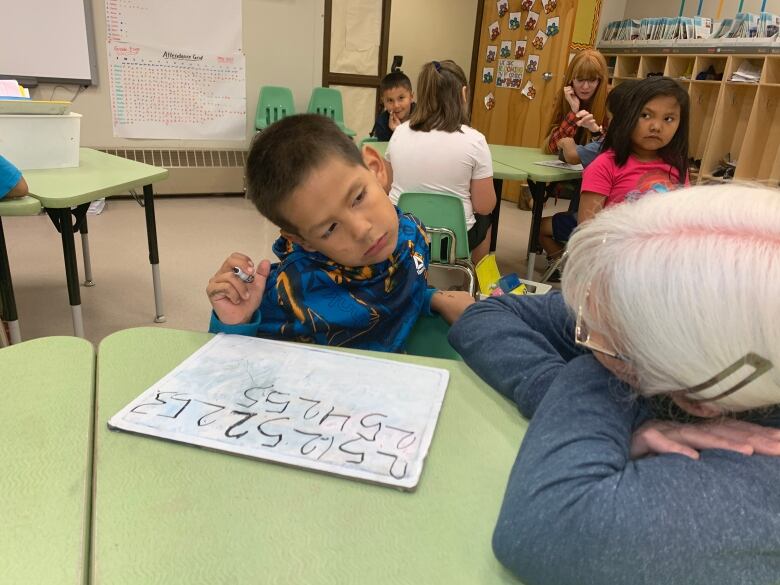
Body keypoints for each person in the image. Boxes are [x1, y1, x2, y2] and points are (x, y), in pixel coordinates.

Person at [448, 184, 780, 585]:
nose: (584, 328)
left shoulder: (756, 482)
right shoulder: (680, 314)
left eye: (606, 341)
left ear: (702, 402)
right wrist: (623, 404)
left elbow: (543, 526)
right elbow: (488, 315)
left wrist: (596, 375)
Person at [206, 114, 466, 353]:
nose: (362, 230)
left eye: (358, 197)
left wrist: (432, 299)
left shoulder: (411, 234)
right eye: (330, 229)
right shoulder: (290, 290)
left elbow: (397, 292)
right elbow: (226, 370)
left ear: (375, 168)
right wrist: (234, 324)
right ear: (302, 240)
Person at [385, 60, 495, 263]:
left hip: (403, 236)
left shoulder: (399, 133)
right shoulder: (475, 140)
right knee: (486, 221)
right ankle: (474, 285)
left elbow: (387, 186)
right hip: (452, 240)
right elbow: (484, 206)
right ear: (463, 94)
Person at [538, 80, 640, 272]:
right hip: (630, 235)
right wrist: (595, 131)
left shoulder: (606, 154)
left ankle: (566, 267)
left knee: (540, 227)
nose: (585, 86)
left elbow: (572, 155)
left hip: (601, 231)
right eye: (580, 80)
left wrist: (568, 143)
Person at [578, 76, 690, 224]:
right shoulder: (604, 166)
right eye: (645, 115)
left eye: (668, 119)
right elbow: (587, 234)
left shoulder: (678, 165)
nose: (656, 126)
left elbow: (685, 218)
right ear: (627, 116)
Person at [543, 49, 609, 156]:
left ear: (600, 81)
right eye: (580, 79)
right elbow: (552, 148)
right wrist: (574, 113)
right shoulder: (564, 97)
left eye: (592, 80)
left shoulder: (611, 101)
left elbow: (610, 152)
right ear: (571, 79)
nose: (585, 87)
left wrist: (596, 131)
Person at [370, 70, 416, 142]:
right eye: (390, 100)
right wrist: (396, 133)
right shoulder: (382, 123)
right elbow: (385, 151)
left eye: (401, 98)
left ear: (411, 97)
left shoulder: (423, 116)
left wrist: (399, 132)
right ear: (383, 102)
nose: (396, 105)